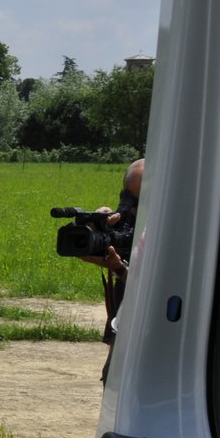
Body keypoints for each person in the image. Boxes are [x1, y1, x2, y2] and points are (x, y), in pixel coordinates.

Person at [80, 157, 143, 383]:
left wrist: (118, 268)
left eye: (137, 199)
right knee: (112, 375)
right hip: (125, 318)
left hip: (154, 324)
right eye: (127, 196)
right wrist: (94, 228)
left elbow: (150, 285)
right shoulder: (126, 224)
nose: (130, 207)